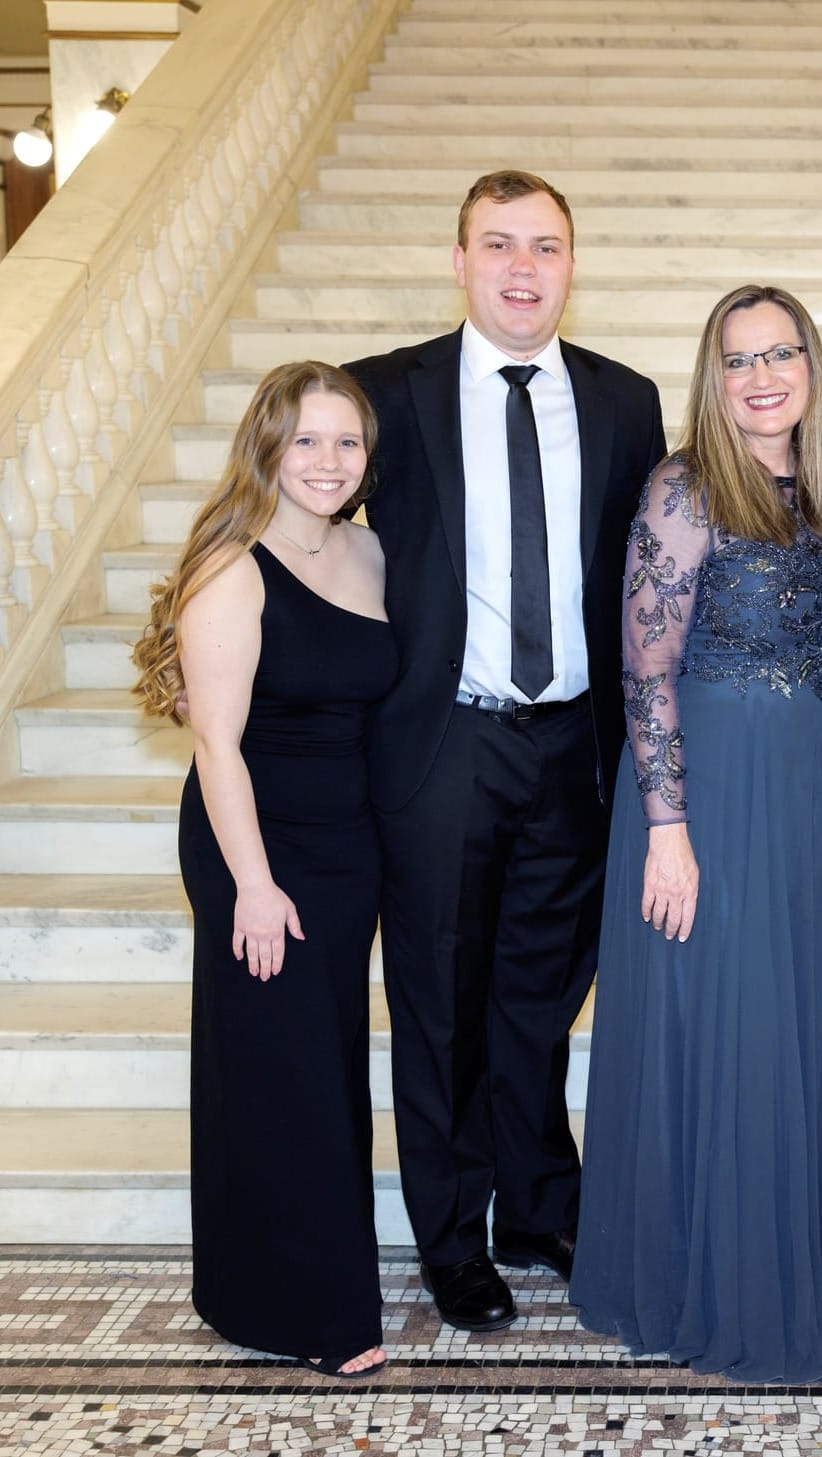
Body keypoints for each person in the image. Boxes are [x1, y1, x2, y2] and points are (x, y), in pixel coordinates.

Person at [345, 170, 665, 1333]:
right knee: (437, 997)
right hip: (442, 745)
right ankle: (452, 1233)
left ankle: (537, 1204)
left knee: (540, 995)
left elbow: (643, 586)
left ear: (573, 264)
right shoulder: (386, 393)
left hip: (573, 748)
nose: (523, 268)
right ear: (460, 258)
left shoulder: (626, 402)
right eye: (498, 244)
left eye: (545, 246)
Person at [567, 284, 822, 1382]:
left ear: (809, 362)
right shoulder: (683, 485)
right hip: (705, 793)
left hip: (805, 794)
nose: (760, 376)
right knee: (724, 1025)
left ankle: (798, 1252)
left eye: (780, 353)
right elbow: (643, 667)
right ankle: (707, 1282)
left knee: (790, 1016)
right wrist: (666, 829)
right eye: (738, 359)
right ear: (713, 375)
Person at [132, 361, 395, 1379]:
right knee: (288, 1070)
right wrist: (251, 879)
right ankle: (316, 1310)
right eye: (307, 441)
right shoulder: (230, 566)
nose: (328, 462)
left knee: (319, 1060)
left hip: (347, 844)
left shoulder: (371, 551)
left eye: (348, 442)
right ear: (267, 448)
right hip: (258, 841)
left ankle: (243, 1279)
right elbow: (215, 743)